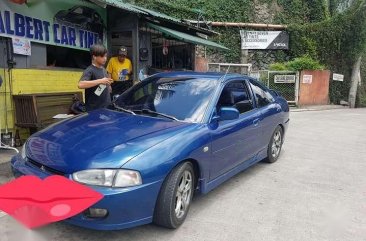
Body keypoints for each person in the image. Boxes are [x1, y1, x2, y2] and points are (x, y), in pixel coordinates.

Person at [78, 44, 112, 111]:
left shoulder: (103, 69)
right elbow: (80, 84)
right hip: (94, 109)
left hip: (106, 107)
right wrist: (100, 81)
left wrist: (108, 85)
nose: (105, 58)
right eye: (102, 56)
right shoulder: (90, 70)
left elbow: (103, 83)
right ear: (94, 57)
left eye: (105, 56)